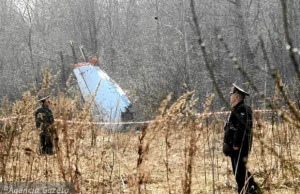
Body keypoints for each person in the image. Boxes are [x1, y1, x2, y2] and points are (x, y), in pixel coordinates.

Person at [223, 84, 262, 194]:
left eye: (232, 95)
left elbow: (242, 128)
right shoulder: (236, 108)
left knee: (241, 170)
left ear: (237, 97)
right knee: (237, 171)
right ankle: (244, 190)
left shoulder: (243, 108)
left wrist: (236, 143)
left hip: (239, 146)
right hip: (233, 146)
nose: (230, 97)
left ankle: (253, 189)